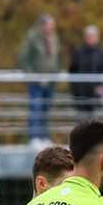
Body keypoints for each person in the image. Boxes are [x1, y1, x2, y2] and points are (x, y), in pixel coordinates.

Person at [17, 14, 61, 145]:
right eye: (49, 26)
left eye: (52, 26)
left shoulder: (54, 38)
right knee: (36, 107)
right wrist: (32, 75)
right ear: (43, 25)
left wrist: (56, 73)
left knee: (46, 109)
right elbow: (23, 58)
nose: (51, 29)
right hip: (36, 81)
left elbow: (56, 58)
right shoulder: (32, 37)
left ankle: (44, 137)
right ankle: (34, 137)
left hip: (50, 81)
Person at [69, 25, 103, 117]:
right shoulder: (78, 52)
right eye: (89, 36)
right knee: (82, 121)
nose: (91, 38)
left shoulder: (102, 53)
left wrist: (101, 86)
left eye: (93, 36)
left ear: (97, 38)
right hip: (81, 93)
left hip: (96, 94)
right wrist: (75, 89)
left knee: (95, 121)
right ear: (85, 37)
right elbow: (72, 71)